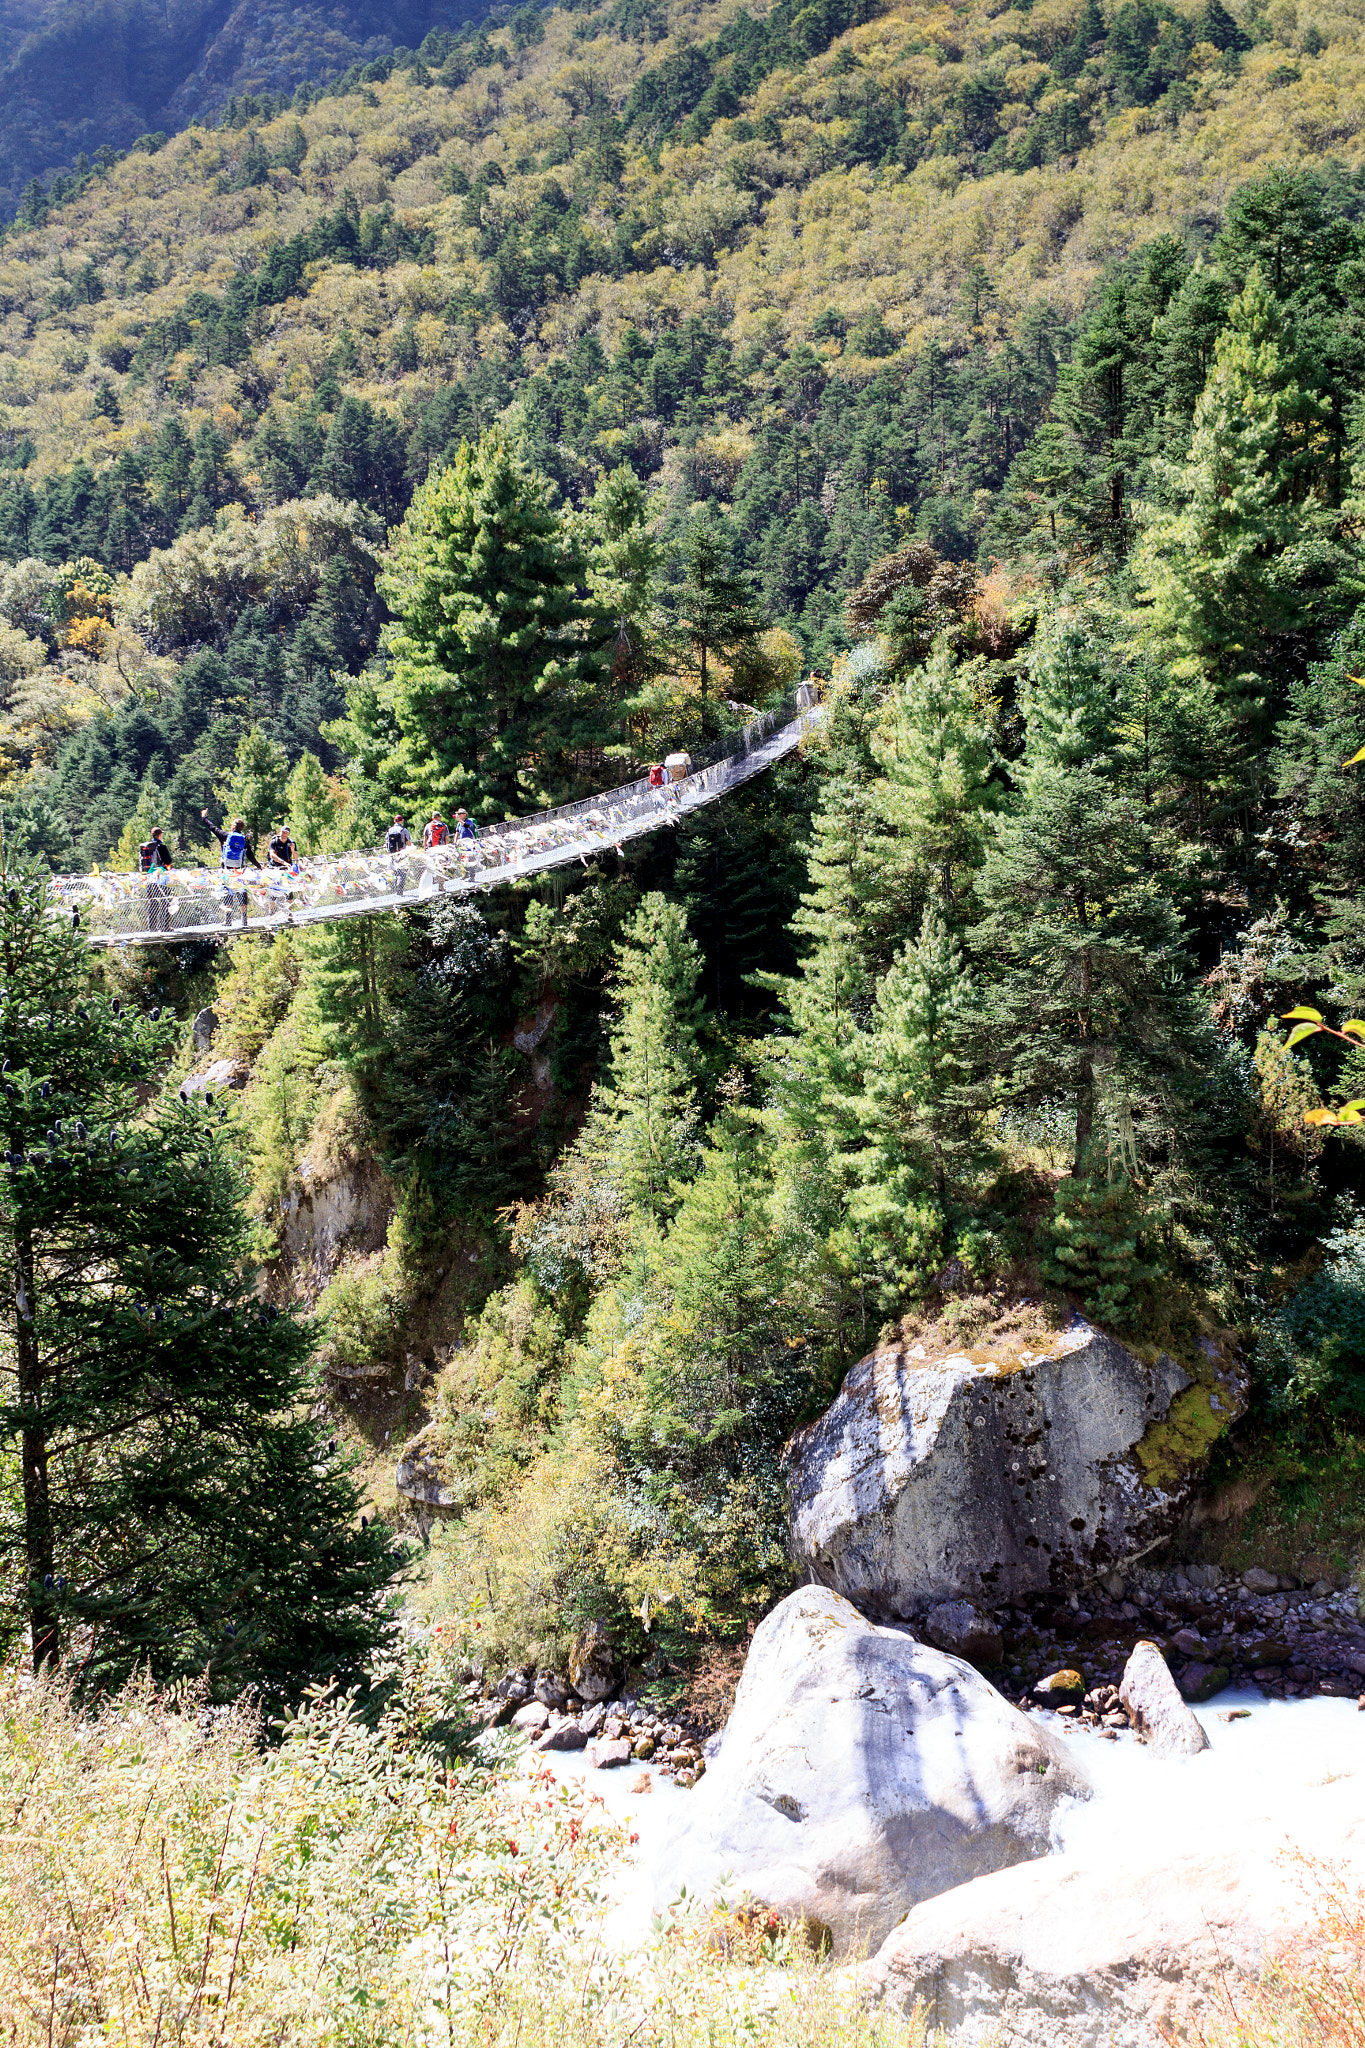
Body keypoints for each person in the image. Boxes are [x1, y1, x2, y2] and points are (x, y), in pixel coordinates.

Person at [201, 810, 259, 929]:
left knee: (227, 893)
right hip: (239, 871)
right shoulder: (244, 840)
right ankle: (244, 919)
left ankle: (228, 920)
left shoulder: (225, 836)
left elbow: (212, 827)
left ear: (233, 826)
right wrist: (259, 866)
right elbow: (250, 856)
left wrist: (204, 818)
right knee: (242, 892)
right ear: (241, 828)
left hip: (226, 871)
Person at [138, 826, 173, 933]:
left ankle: (152, 927)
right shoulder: (161, 847)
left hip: (149, 878)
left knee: (153, 902)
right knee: (165, 901)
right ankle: (165, 927)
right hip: (161, 878)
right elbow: (168, 861)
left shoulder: (146, 848)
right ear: (160, 835)